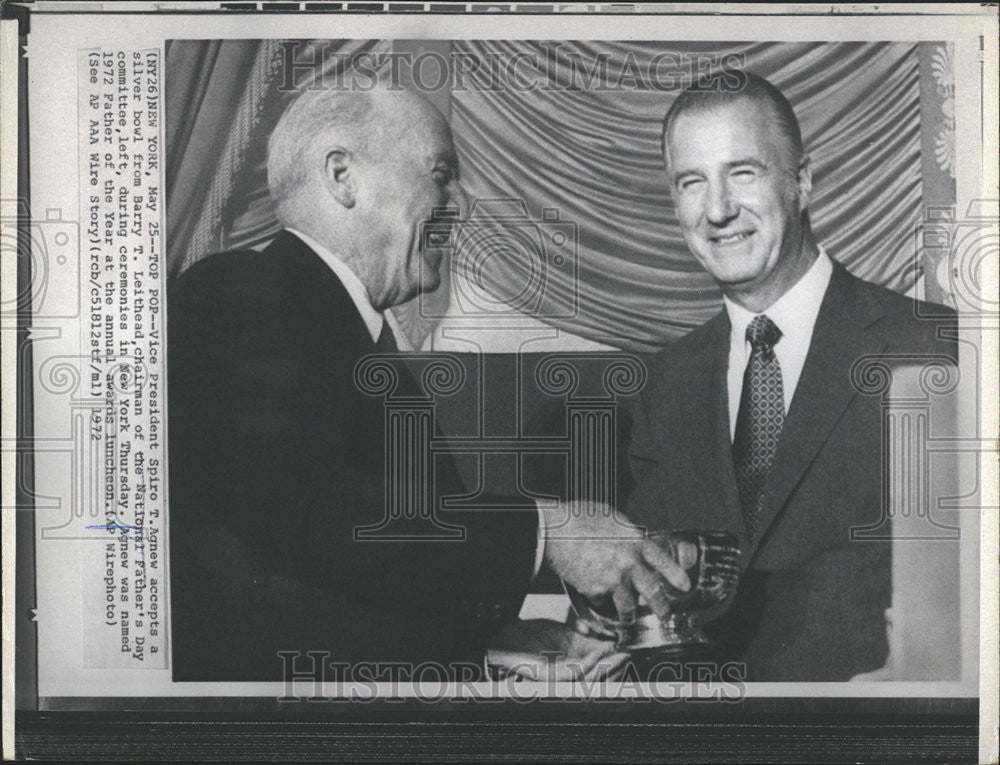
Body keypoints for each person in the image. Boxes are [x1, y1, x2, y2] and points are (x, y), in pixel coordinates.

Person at [168, 86, 688, 682]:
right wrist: (551, 531)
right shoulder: (235, 292)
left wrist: (494, 640)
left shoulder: (366, 350)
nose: (460, 205)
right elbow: (308, 512)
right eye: (440, 175)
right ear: (343, 176)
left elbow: (361, 571)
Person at [624, 71, 957, 681]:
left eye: (742, 173)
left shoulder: (939, 348)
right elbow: (659, 597)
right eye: (691, 182)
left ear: (802, 181)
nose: (718, 210)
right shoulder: (665, 383)